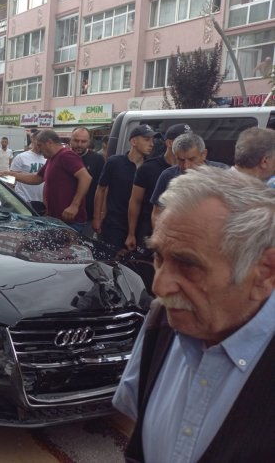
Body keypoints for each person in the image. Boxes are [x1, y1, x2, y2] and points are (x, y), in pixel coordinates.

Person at [113, 165, 274, 463]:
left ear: (264, 272)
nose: (159, 286)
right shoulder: (161, 320)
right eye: (159, 257)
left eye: (188, 265)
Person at [1, 129, 91, 232]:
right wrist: (10, 174)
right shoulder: (51, 159)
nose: (38, 149)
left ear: (49, 143)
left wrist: (74, 206)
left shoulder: (66, 155)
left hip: (71, 222)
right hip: (57, 219)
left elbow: (86, 178)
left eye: (39, 145)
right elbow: (36, 179)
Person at [125, 123, 191, 251]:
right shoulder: (148, 168)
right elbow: (135, 201)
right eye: (184, 141)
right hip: (148, 232)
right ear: (170, 143)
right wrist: (131, 234)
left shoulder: (193, 169)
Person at [93, 124, 155, 250]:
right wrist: (97, 218)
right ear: (133, 141)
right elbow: (101, 189)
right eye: (147, 140)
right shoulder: (115, 162)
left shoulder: (150, 167)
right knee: (110, 262)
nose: (152, 144)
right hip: (114, 223)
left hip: (140, 226)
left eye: (153, 140)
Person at [150, 133, 228, 227]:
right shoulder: (167, 176)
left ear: (204, 154)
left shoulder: (222, 172)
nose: (186, 166)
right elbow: (156, 214)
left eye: (192, 159)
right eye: (181, 160)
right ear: (175, 157)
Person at [70, 127, 105, 235]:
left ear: (89, 142)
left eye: (83, 141)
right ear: (70, 140)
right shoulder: (62, 157)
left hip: (87, 217)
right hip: (64, 216)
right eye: (76, 140)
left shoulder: (97, 159)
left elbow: (102, 189)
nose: (79, 144)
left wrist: (97, 217)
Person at [9, 129, 46, 214]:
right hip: (24, 200)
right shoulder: (21, 157)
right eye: (39, 141)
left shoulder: (48, 158)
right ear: (33, 140)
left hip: (43, 201)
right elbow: (11, 179)